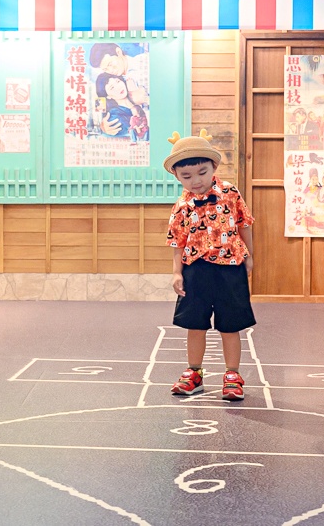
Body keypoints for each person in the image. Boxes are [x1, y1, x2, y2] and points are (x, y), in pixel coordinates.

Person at [163, 129, 255, 401]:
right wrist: (177, 272)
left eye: (202, 172)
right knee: (195, 324)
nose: (196, 181)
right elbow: (178, 241)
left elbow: (244, 223)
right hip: (195, 270)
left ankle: (232, 375)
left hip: (230, 267)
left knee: (230, 324)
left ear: (213, 166)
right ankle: (194, 373)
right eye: (186, 176)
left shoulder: (229, 192)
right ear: (177, 176)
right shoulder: (181, 204)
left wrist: (249, 255)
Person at [95, 72, 148, 140]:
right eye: (112, 88)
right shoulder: (115, 116)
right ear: (108, 96)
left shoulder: (139, 99)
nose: (118, 87)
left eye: (118, 81)